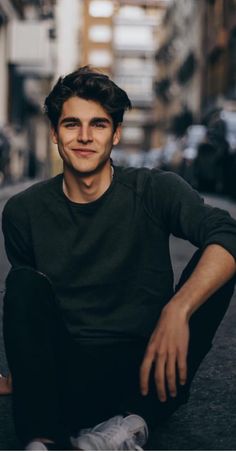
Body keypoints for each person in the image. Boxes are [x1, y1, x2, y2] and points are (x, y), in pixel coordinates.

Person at [2, 66, 236, 451]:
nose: (84, 137)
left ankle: (132, 425)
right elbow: (31, 306)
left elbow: (227, 233)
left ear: (116, 134)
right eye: (71, 124)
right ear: (54, 133)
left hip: (148, 371)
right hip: (69, 379)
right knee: (22, 283)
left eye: (98, 124)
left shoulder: (155, 189)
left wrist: (177, 309)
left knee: (218, 264)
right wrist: (26, 372)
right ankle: (40, 439)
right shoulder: (22, 212)